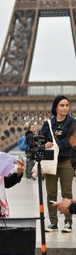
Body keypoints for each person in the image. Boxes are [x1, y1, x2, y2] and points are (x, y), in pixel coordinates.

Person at [39, 95, 75, 231]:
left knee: (67, 192)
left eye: (67, 105)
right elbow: (40, 140)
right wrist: (44, 145)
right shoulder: (47, 124)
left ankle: (68, 222)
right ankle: (53, 222)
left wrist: (54, 145)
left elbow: (71, 141)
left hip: (66, 160)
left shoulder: (73, 123)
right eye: (62, 105)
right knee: (51, 193)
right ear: (56, 107)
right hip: (50, 161)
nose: (65, 108)